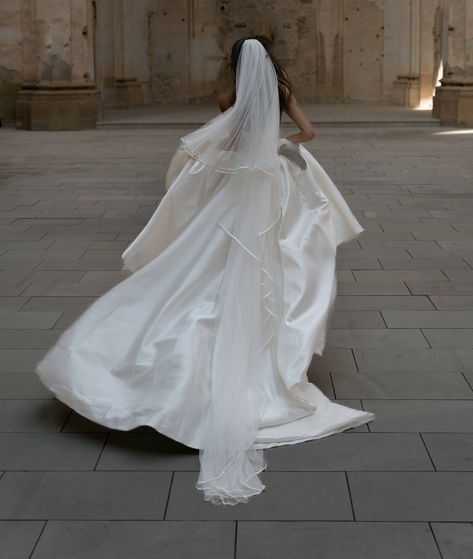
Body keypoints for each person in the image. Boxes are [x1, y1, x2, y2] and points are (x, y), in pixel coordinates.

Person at [35, 37, 374, 506]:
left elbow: (223, 143)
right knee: (276, 262)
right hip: (273, 183)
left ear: (236, 65)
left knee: (207, 260)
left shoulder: (228, 99)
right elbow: (309, 135)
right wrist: (279, 143)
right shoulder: (284, 93)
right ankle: (262, 347)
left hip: (238, 187)